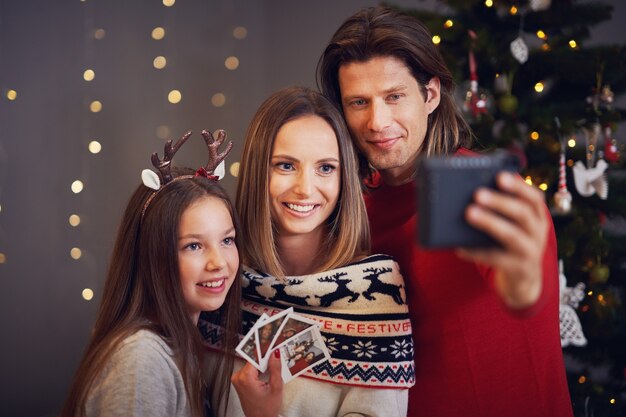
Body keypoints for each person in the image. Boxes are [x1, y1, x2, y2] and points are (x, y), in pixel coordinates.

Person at [317, 6, 573, 417]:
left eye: (394, 96)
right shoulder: (348, 209)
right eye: (358, 102)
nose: (377, 121)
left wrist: (523, 277)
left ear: (430, 95)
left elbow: (523, 293)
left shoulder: (482, 190)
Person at [61, 130, 282, 417]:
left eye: (227, 240)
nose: (219, 262)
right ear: (153, 254)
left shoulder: (182, 348)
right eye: (193, 245)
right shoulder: (141, 360)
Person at [226, 86, 414, 417]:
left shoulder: (374, 290)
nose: (305, 188)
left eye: (325, 168)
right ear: (258, 171)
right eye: (285, 166)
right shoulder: (222, 279)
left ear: (344, 179)